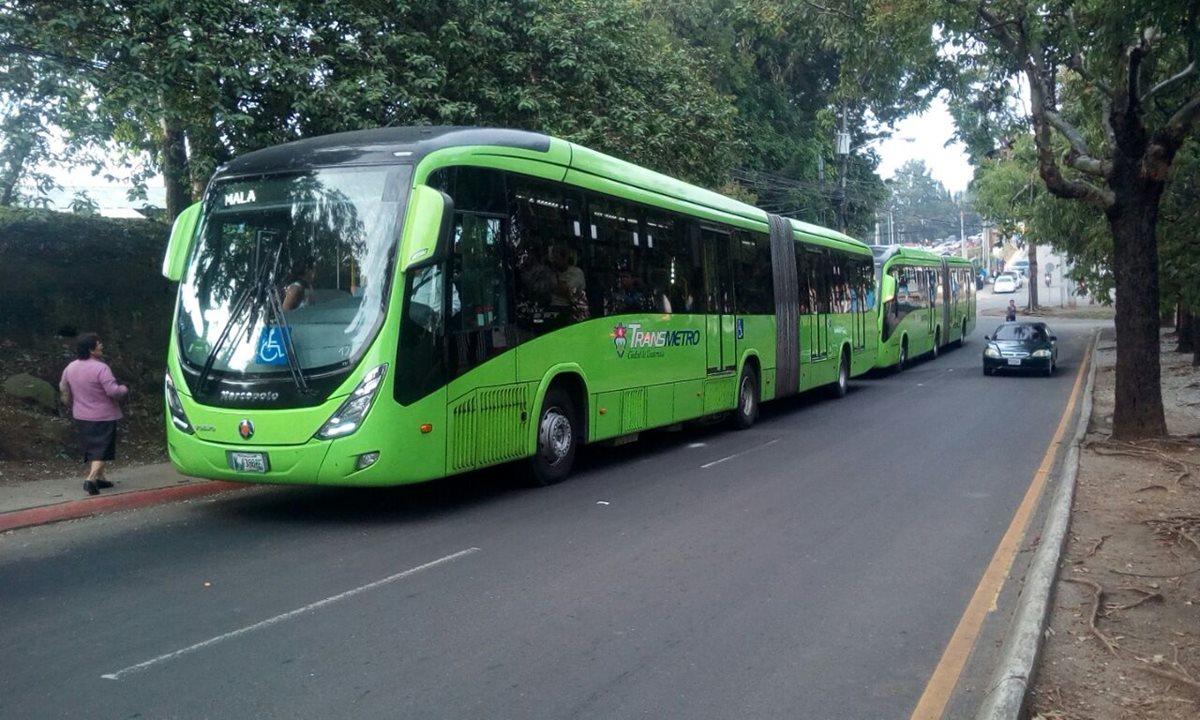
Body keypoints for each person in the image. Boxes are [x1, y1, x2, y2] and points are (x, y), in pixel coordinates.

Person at [59, 333, 129, 496]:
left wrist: (67, 400)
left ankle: (101, 478)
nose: (101, 346)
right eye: (99, 344)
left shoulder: (71, 367)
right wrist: (123, 388)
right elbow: (113, 392)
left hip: (81, 415)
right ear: (91, 349)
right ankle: (90, 480)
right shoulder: (101, 368)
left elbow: (63, 386)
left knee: (92, 448)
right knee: (101, 450)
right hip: (103, 416)